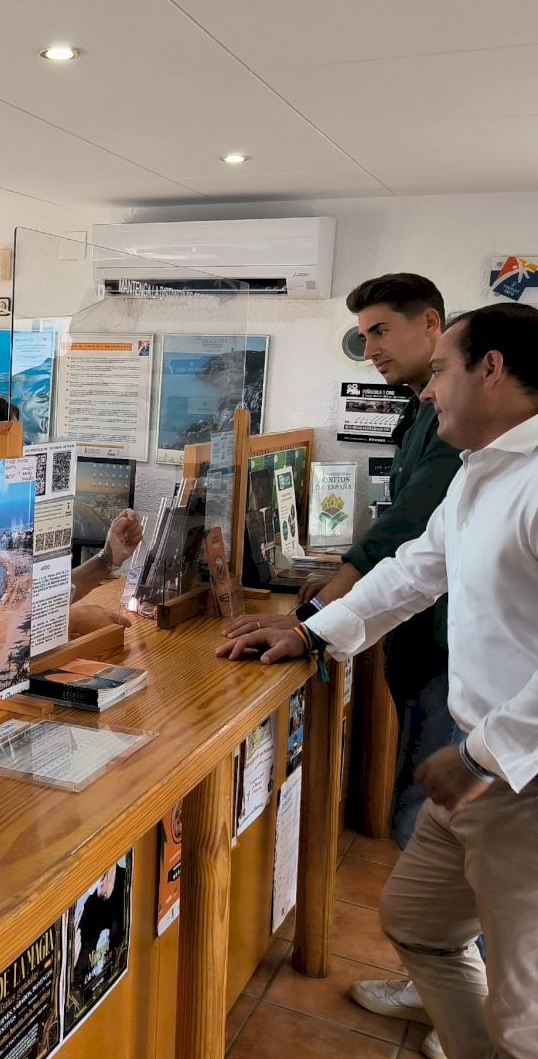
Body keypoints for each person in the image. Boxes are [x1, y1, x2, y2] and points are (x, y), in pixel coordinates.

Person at [217, 303, 538, 1059]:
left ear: (492, 370)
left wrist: (480, 756)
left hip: (518, 777)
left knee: (525, 1014)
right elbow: (413, 572)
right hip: (479, 764)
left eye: (442, 372)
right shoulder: (480, 472)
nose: (428, 392)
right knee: (419, 925)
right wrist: (309, 632)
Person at [0, 395, 144, 632]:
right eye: (19, 442)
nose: (25, 453)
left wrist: (108, 558)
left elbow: (40, 596)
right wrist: (69, 621)